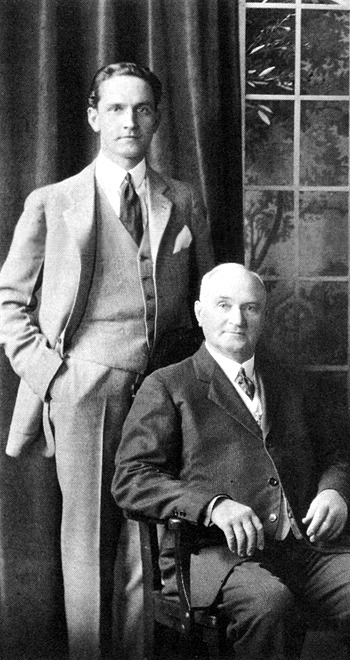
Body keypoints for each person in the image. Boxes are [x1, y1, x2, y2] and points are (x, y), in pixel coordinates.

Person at [0, 62, 214, 658]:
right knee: (90, 538)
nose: (130, 121)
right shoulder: (53, 201)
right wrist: (51, 375)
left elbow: (206, 296)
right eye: (116, 109)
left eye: (142, 109)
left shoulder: (183, 198)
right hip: (84, 390)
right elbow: (9, 299)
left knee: (153, 541)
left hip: (164, 391)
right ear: (95, 117)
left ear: (157, 120)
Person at [113, 263, 350, 659]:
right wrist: (213, 506)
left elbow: (338, 456)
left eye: (250, 308)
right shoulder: (168, 385)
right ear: (200, 313)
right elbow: (131, 478)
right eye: (224, 306)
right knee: (270, 604)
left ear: (264, 316)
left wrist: (334, 492)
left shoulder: (290, 380)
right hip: (215, 556)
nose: (237, 319)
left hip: (303, 548)